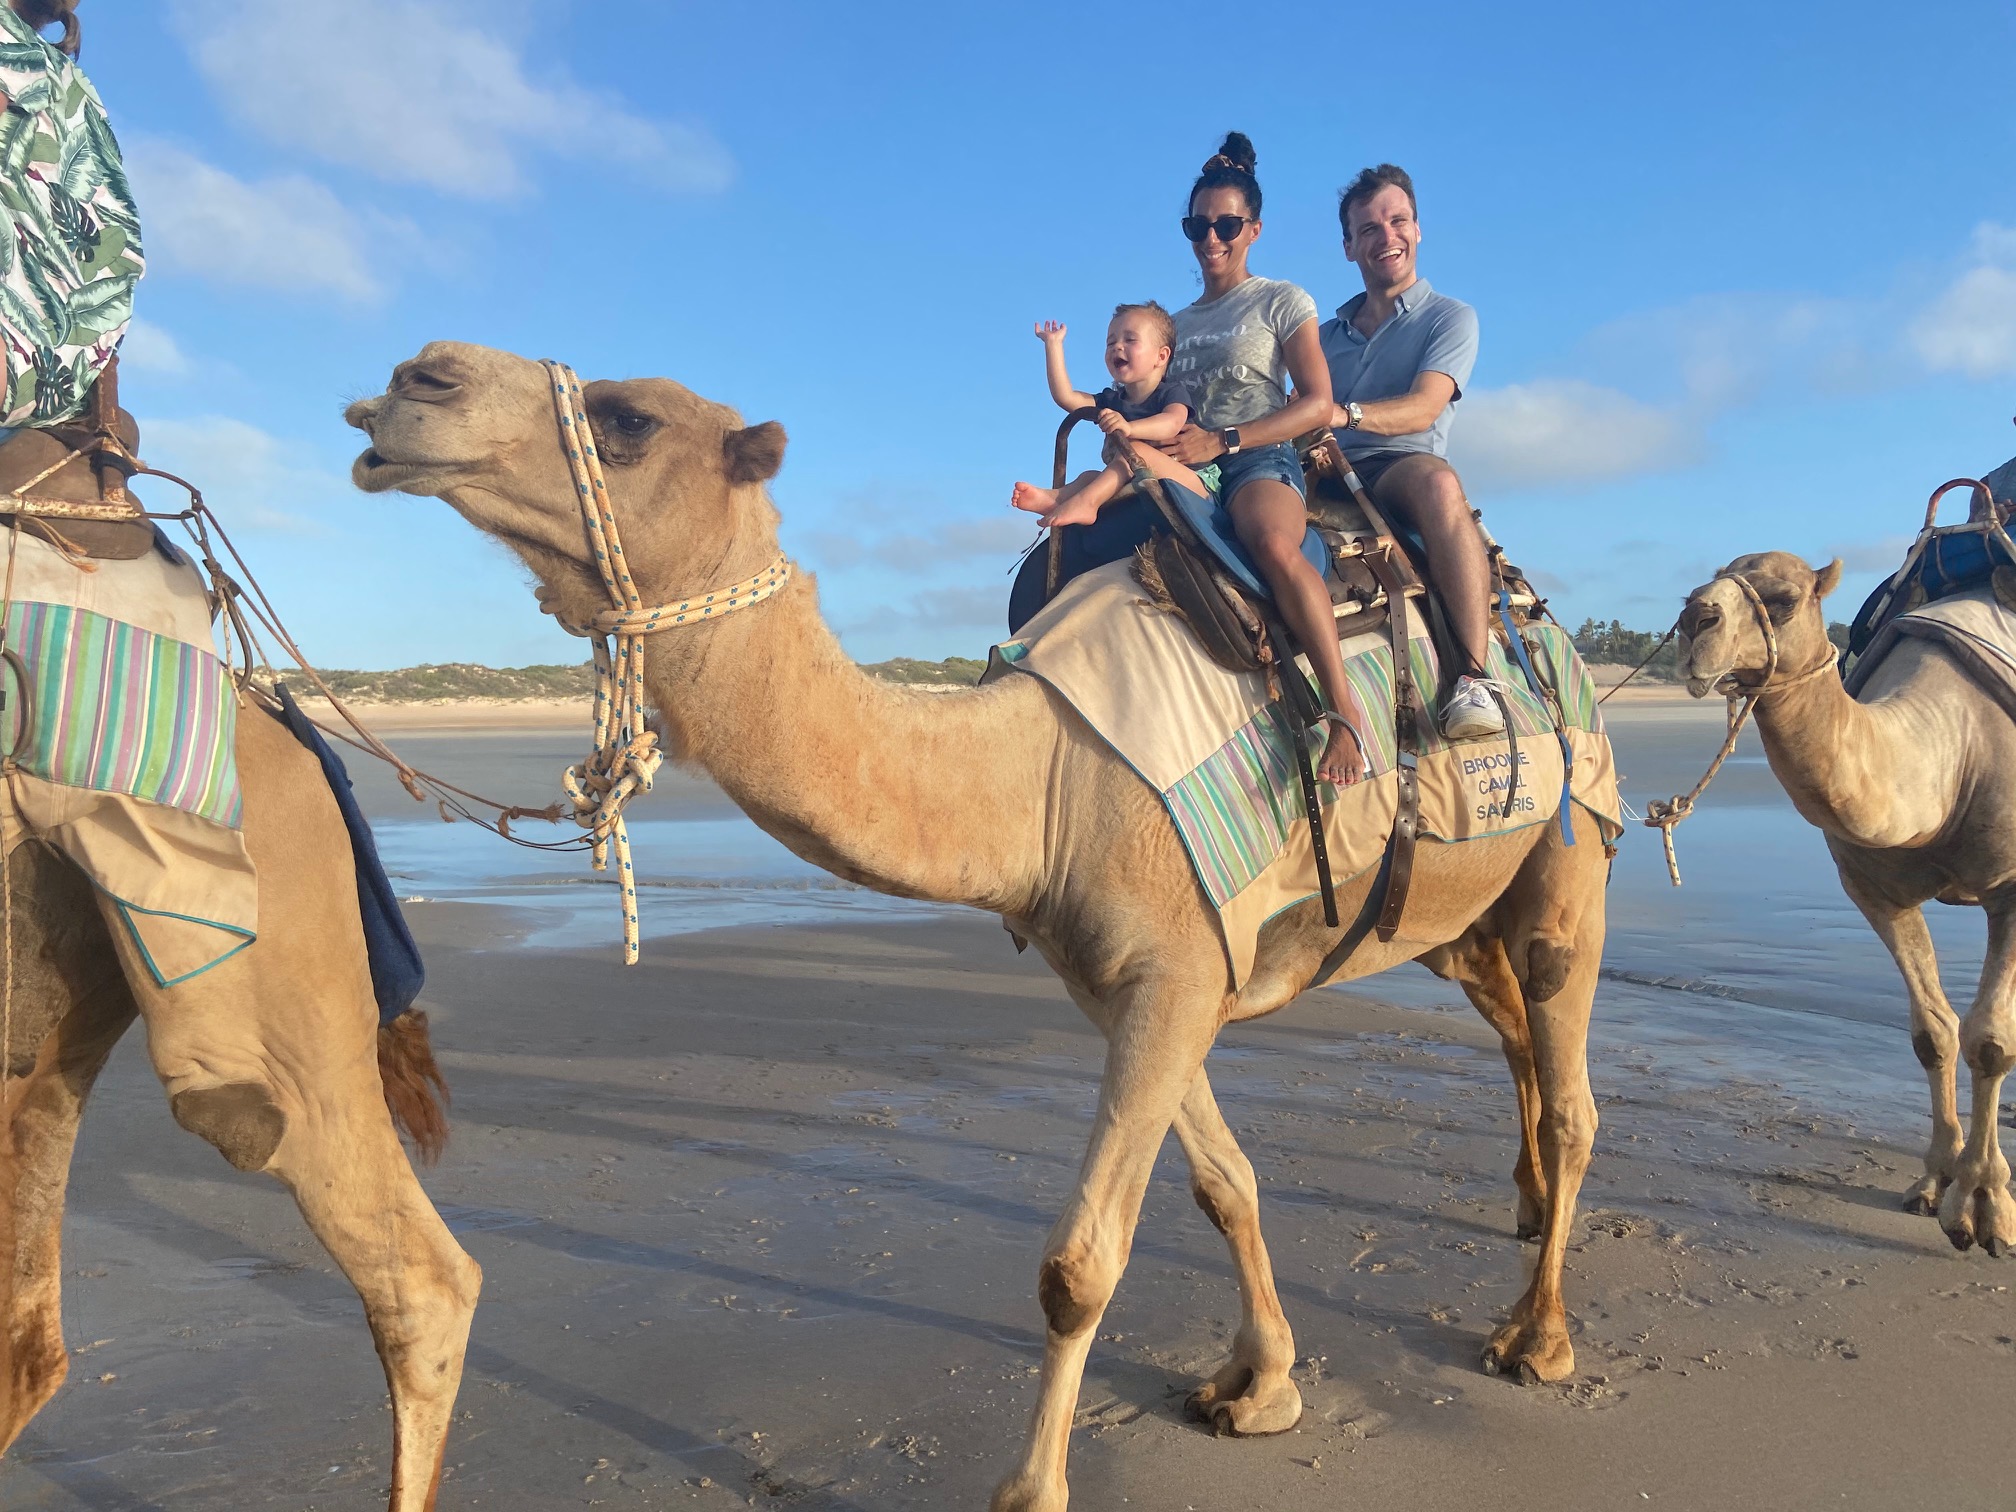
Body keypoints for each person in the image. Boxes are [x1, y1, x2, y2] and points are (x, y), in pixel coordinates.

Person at [1157, 133, 1365, 785]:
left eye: (1225, 225)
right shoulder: (1173, 323)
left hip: (1254, 459)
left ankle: (1345, 712)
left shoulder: (1280, 300)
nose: (1210, 239)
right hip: (1181, 464)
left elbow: (1316, 401)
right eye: (1198, 225)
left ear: (1253, 229)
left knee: (1275, 546)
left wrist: (1227, 441)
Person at [1320, 163, 1503, 738]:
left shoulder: (1450, 317)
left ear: (1418, 230)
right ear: (1349, 246)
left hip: (1399, 463)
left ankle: (1475, 680)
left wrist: (1340, 417)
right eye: (1369, 229)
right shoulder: (1322, 336)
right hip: (1317, 469)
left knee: (1440, 484)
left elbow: (1424, 408)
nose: (1386, 237)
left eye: (1397, 221)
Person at [1010, 304, 1208, 529]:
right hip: (1139, 479)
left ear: (1161, 356)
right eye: (1111, 342)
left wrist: (1130, 429)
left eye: (1130, 340)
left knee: (1134, 451)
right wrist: (1053, 346)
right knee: (1089, 478)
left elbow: (1172, 423)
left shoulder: (1171, 392)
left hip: (1191, 483)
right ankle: (1054, 499)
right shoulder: (1112, 401)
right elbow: (1066, 398)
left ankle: (1088, 504)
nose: (1117, 347)